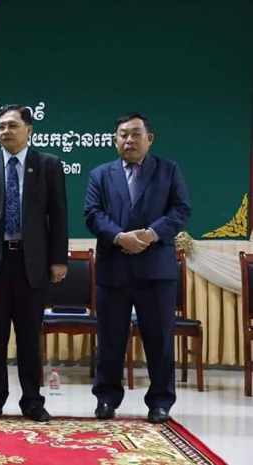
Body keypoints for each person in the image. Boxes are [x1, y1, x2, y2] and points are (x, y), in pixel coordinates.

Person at [85, 112, 190, 424]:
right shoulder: (100, 174)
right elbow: (92, 214)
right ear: (115, 139)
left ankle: (160, 401)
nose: (128, 140)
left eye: (135, 134)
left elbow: (181, 209)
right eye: (123, 135)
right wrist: (120, 237)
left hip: (155, 270)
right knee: (110, 340)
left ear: (149, 138)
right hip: (113, 269)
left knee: (159, 340)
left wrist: (151, 234)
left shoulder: (168, 170)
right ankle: (106, 399)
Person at [0, 105, 68, 423]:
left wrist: (58, 259)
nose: (5, 131)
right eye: (1, 126)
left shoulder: (48, 165)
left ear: (29, 130)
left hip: (32, 263)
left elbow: (58, 215)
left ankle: (32, 400)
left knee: (30, 336)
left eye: (12, 125)